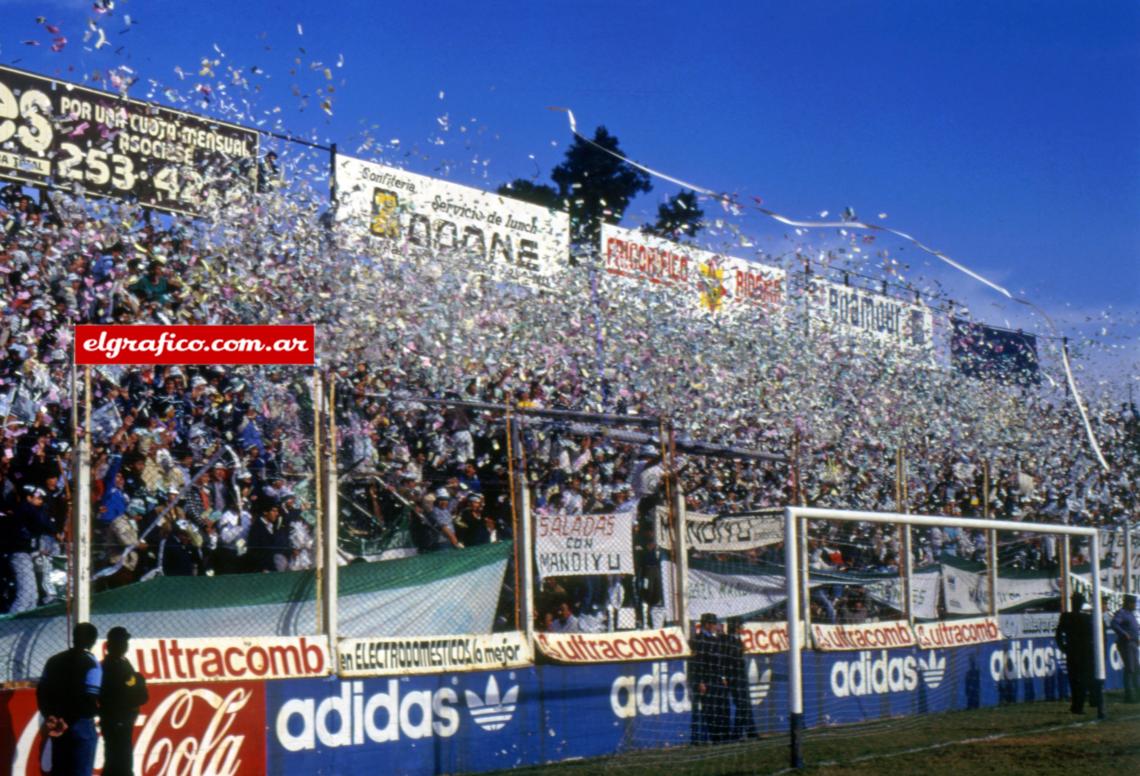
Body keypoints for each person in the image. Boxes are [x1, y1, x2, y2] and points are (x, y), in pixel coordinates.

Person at [36, 622, 102, 776]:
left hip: (57, 723)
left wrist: (51, 716)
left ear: (73, 638)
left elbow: (41, 692)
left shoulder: (54, 660)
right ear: (93, 641)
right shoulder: (92, 663)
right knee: (81, 770)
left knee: (60, 769)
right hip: (80, 724)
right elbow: (89, 700)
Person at [100, 626, 148, 776]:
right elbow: (117, 692)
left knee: (121, 757)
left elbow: (139, 693)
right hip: (115, 719)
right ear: (109, 645)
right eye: (121, 642)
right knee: (118, 758)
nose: (124, 645)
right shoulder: (108, 666)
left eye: (125, 642)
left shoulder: (123, 663)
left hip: (123, 719)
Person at [690, 612, 729, 744]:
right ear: (706, 624)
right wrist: (701, 681)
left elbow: (720, 660)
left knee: (720, 708)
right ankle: (713, 737)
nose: (715, 626)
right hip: (707, 679)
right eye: (713, 624)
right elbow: (698, 663)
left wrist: (722, 676)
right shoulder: (699, 640)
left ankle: (721, 736)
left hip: (717, 678)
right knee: (710, 709)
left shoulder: (715, 639)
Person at [1055, 591, 1094, 713]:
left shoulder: (1067, 616)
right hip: (1083, 652)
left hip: (1074, 652)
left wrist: (1064, 648)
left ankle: (1077, 705)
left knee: (1075, 679)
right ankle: (1078, 705)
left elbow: (1058, 635)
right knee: (1081, 679)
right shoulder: (1086, 618)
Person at [724, 617, 757, 739]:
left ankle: (751, 732)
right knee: (742, 705)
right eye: (741, 626)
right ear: (736, 627)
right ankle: (737, 734)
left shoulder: (738, 640)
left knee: (746, 704)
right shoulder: (728, 641)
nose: (743, 628)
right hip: (734, 677)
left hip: (741, 675)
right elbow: (728, 659)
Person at [1110, 593, 1139, 703]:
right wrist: (1123, 634)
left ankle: (1136, 694)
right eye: (1133, 603)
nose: (1135, 605)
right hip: (1126, 644)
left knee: (1135, 669)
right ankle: (1129, 695)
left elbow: (1133, 627)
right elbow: (1114, 624)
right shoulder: (1122, 613)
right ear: (1128, 603)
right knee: (1130, 669)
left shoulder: (1130, 614)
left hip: (1133, 644)